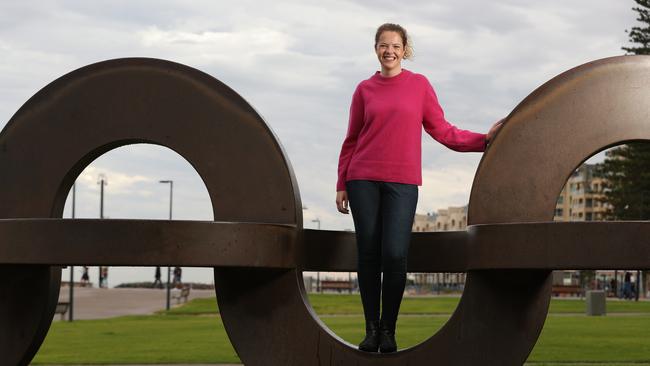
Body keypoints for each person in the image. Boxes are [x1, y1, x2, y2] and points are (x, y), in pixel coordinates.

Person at [335, 23, 503, 353]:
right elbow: (352, 139)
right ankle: (371, 330)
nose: (389, 51)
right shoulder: (363, 90)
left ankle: (389, 329)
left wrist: (483, 140)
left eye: (395, 46)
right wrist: (342, 183)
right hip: (362, 179)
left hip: (403, 182)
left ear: (404, 49)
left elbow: (443, 130)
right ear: (376, 49)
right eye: (384, 45)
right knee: (368, 254)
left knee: (395, 254)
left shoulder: (419, 86)